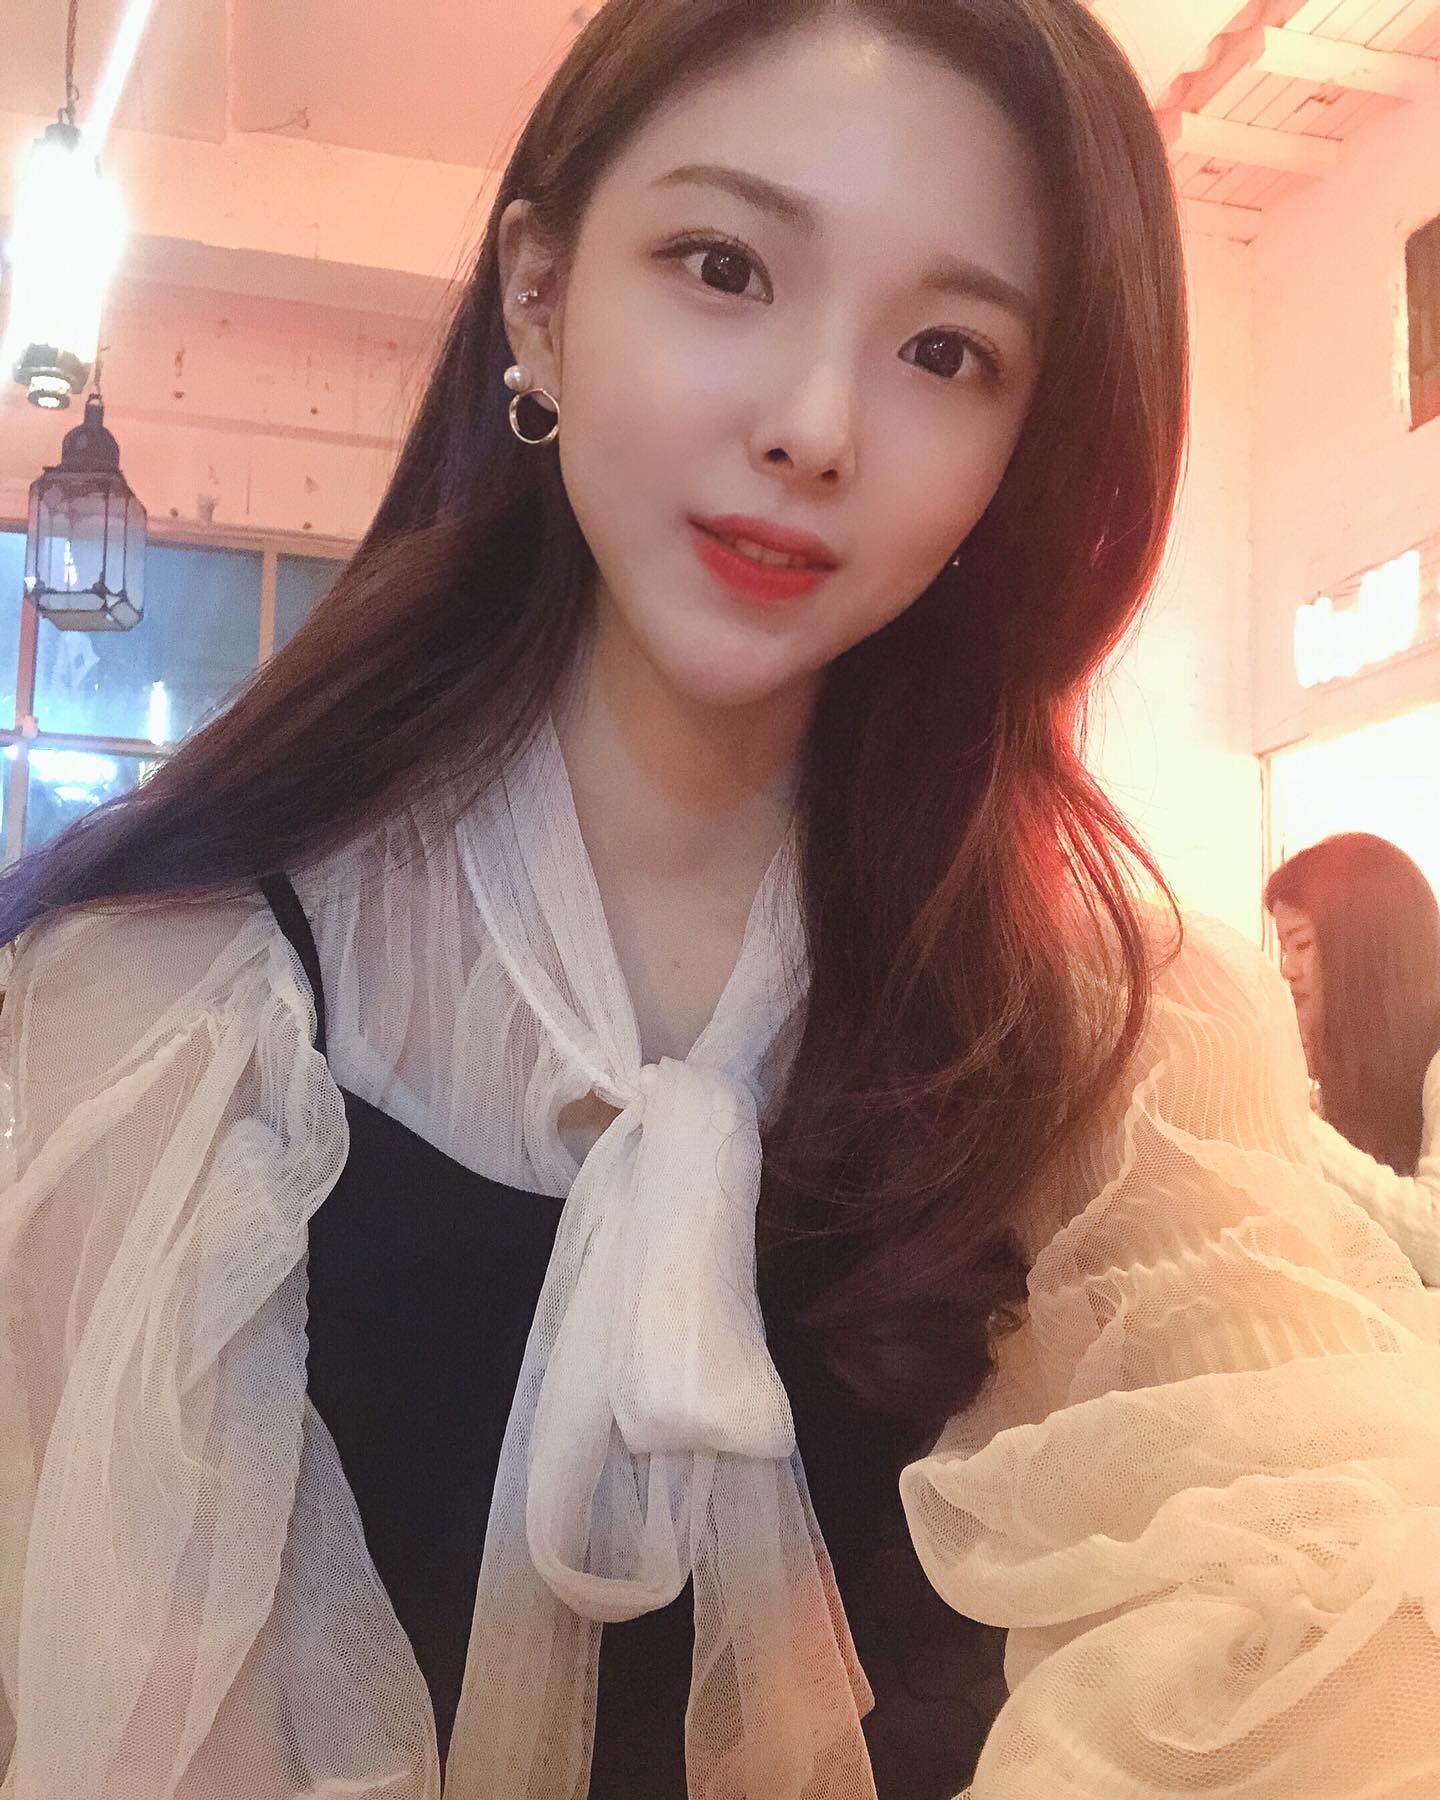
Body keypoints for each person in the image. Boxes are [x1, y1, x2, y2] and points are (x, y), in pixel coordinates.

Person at [1, 2, 1437, 1796]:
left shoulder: (1108, 1032)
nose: (815, 427)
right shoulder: (181, 990)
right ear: (540, 295)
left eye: (946, 351)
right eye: (724, 266)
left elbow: (1317, 1618)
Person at [1268, 832, 1440, 1285]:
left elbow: (1436, 1240)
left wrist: (1284, 1116)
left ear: (1362, 949)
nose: (1286, 969)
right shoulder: (1361, 1080)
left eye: (1301, 945)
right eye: (1284, 949)